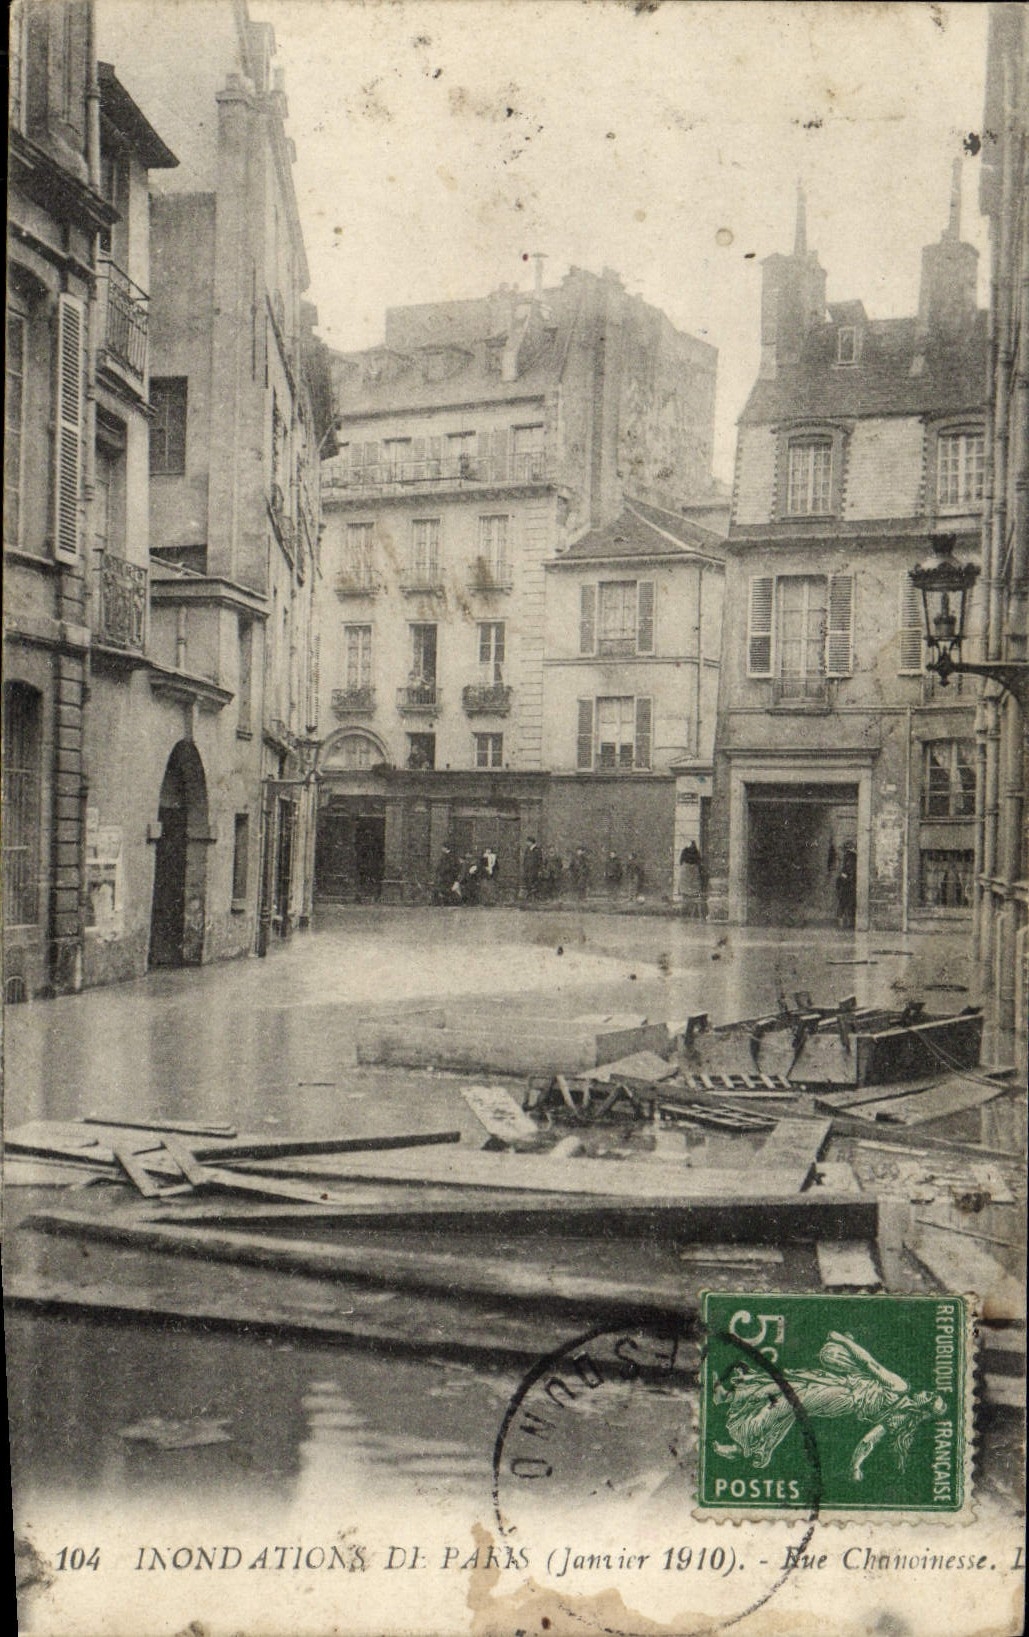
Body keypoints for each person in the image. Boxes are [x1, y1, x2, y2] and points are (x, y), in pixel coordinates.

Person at [711, 1330, 946, 1483]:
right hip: (840, 1388)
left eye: (929, 1397)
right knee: (787, 1386)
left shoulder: (900, 1386)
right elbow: (869, 1441)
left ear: (923, 1405)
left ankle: (740, 1442)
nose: (927, 1392)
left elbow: (871, 1365)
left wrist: (844, 1342)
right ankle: (730, 1400)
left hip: (842, 1395)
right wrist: (856, 1466)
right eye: (931, 1393)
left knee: (786, 1400)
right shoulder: (900, 1418)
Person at [678, 840, 707, 920]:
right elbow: (699, 862)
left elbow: (680, 862)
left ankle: (684, 916)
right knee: (697, 898)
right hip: (693, 877)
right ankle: (699, 916)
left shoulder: (684, 855)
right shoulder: (696, 856)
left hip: (686, 876)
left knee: (685, 899)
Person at [835, 844, 857, 928]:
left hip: (848, 885)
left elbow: (846, 872)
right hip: (847, 885)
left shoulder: (849, 858)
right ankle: (844, 922)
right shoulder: (849, 859)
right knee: (845, 903)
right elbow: (844, 873)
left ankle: (846, 922)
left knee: (845, 903)